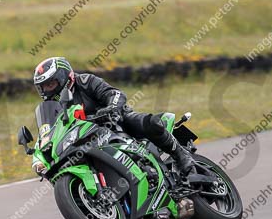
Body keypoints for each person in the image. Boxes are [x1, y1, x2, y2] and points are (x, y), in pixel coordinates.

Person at [32, 56, 196, 178]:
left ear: (64, 77)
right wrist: (40, 154)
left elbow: (115, 94)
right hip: (85, 139)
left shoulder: (86, 81)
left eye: (50, 84)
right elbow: (48, 132)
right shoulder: (53, 108)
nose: (47, 90)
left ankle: (181, 155)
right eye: (43, 87)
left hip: (114, 121)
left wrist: (111, 108)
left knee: (149, 123)